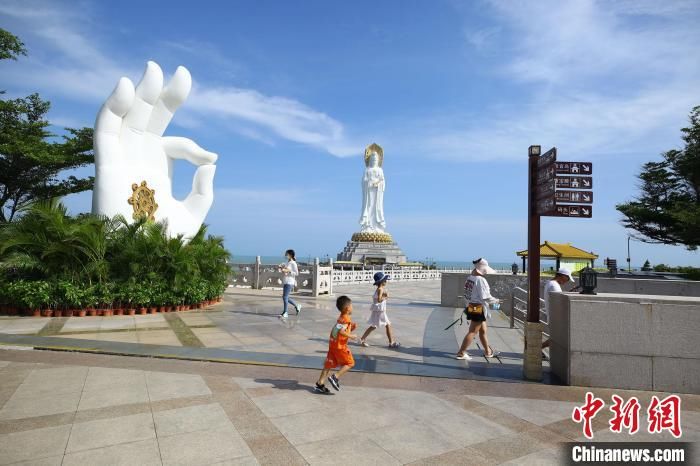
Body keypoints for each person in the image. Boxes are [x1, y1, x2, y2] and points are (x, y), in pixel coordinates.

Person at [456, 258, 502, 360]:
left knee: (483, 330)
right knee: (473, 331)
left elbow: (467, 294)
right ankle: (461, 352)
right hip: (478, 307)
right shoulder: (481, 280)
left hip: (472, 306)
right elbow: (485, 297)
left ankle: (488, 351)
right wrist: (496, 300)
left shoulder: (470, 278)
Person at [316, 295, 358, 393]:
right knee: (350, 363)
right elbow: (341, 331)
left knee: (328, 364)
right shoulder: (346, 319)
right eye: (352, 306)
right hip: (340, 346)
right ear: (347, 308)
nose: (353, 307)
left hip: (333, 344)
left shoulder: (341, 317)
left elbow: (337, 329)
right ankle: (335, 377)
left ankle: (320, 383)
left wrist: (351, 328)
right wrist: (351, 336)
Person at [359, 272, 400, 348]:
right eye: (385, 280)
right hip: (380, 312)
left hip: (377, 311)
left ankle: (362, 339)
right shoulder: (381, 289)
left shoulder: (378, 289)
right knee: (387, 325)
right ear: (381, 282)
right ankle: (391, 342)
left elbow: (377, 298)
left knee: (374, 326)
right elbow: (379, 299)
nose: (386, 282)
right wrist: (386, 297)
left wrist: (384, 296)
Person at [542, 268, 574, 349]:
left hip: (553, 317)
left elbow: (556, 299)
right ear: (563, 276)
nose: (567, 281)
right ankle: (537, 348)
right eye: (568, 278)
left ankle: (537, 349)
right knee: (556, 339)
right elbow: (558, 303)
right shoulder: (554, 285)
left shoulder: (550, 283)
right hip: (556, 318)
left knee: (556, 339)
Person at [279, 249, 302, 318]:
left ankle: (285, 312)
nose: (285, 255)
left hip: (290, 281)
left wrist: (289, 271)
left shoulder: (293, 263)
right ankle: (297, 306)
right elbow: (285, 270)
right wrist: (281, 268)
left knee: (285, 297)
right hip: (286, 280)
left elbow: (297, 273)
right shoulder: (287, 262)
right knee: (285, 297)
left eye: (286, 254)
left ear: (290, 255)